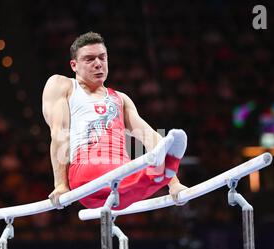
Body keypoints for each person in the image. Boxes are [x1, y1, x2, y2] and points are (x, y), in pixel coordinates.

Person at [42, 31, 188, 210]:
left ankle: (162, 173)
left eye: (102, 58)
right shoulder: (63, 85)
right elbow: (58, 133)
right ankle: (158, 172)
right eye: (89, 59)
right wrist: (61, 185)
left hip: (120, 178)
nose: (98, 64)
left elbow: (149, 136)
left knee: (131, 180)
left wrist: (174, 184)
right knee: (131, 175)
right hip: (86, 168)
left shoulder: (121, 99)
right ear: (74, 65)